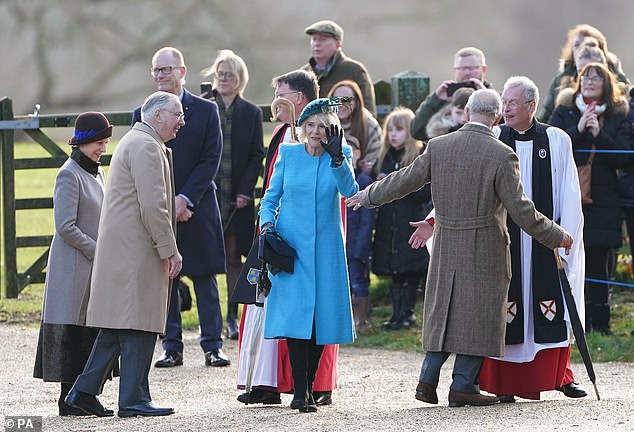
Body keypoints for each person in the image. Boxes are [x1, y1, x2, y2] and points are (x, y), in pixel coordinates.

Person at [347, 89, 574, 407]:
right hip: (486, 245)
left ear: (467, 112)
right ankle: (463, 386)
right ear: (496, 117)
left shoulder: (439, 146)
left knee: (443, 311)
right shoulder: (501, 154)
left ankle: (427, 381)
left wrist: (368, 195)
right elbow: (522, 211)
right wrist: (556, 235)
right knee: (479, 315)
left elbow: (404, 179)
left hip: (447, 244)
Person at [64, 91, 183, 417]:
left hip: (126, 251)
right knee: (140, 324)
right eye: (177, 114)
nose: (181, 122)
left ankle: (82, 393)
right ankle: (133, 400)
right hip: (137, 252)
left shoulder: (137, 141)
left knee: (118, 326)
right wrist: (169, 250)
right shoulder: (146, 146)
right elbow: (153, 206)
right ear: (157, 116)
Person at [477, 76, 587, 402]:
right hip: (503, 242)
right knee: (504, 309)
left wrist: (567, 237)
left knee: (552, 304)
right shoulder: (493, 137)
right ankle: (502, 385)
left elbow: (569, 193)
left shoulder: (556, 140)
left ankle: (560, 376)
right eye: (503, 102)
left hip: (544, 242)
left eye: (512, 102)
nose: (505, 108)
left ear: (531, 105)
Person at [235, 70, 340, 407]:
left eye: (279, 92)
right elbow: (272, 191)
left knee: (316, 312)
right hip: (281, 235)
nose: (274, 100)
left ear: (296, 98)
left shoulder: (325, 136)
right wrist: (266, 225)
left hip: (318, 241)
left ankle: (310, 385)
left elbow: (343, 192)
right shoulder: (283, 135)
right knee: (283, 310)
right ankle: (274, 382)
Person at [259, 97, 359, 413]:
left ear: (333, 130)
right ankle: (301, 392)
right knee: (296, 318)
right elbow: (270, 198)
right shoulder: (288, 154)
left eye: (323, 126)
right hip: (291, 249)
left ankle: (309, 387)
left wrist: (337, 161)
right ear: (302, 128)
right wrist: (266, 225)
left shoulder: (340, 155)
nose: (316, 132)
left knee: (321, 319)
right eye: (311, 125)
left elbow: (350, 192)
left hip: (326, 249)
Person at [133, 47, 229, 368]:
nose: (161, 75)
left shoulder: (205, 110)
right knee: (167, 275)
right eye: (156, 70)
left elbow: (210, 158)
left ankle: (213, 345)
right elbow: (141, 162)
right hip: (160, 206)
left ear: (182, 71)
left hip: (197, 204)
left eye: (166, 69)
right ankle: (171, 346)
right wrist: (166, 202)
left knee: (204, 278)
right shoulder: (142, 113)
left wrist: (185, 199)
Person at [33, 112, 113, 416]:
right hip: (73, 265)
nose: (103, 148)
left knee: (89, 328)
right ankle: (69, 398)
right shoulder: (68, 174)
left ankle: (83, 394)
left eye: (105, 142)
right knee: (72, 329)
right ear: (82, 143)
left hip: (93, 264)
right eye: (99, 142)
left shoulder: (96, 172)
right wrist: (97, 250)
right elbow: (65, 226)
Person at [549, 62, 633, 334]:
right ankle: (572, 322)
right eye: (585, 77)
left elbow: (624, 157)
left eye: (596, 77)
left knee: (599, 264)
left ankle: (601, 325)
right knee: (569, 257)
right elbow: (551, 149)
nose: (589, 81)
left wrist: (600, 134)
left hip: (603, 198)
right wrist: (579, 130)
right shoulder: (565, 110)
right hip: (569, 196)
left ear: (606, 83)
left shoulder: (619, 113)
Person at [200, 49, 265, 341]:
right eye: (220, 73)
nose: (224, 79)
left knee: (232, 259)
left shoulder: (251, 113)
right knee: (201, 259)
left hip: (235, 199)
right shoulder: (202, 107)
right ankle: (206, 320)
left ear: (240, 80)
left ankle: (232, 318)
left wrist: (244, 192)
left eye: (229, 74)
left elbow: (256, 156)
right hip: (205, 196)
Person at [372, 107, 431, 330]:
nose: (393, 135)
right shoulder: (385, 157)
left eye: (399, 130)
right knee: (395, 271)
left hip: (410, 221)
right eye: (390, 130)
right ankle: (396, 314)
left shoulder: (418, 158)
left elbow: (425, 193)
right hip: (390, 223)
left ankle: (407, 313)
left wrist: (397, 184)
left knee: (411, 268)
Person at [538, 24, 630, 122]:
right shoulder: (561, 84)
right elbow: (546, 120)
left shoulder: (620, 88)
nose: (582, 48)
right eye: (577, 45)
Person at [411, 47, 492, 141]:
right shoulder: (443, 97)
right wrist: (435, 100)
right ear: (454, 70)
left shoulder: (500, 98)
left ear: (484, 69)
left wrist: (487, 97)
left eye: (472, 68)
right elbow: (416, 132)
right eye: (461, 69)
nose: (467, 73)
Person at [302, 19, 376, 115]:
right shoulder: (303, 74)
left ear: (338, 44)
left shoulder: (354, 71)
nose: (317, 44)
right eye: (314, 39)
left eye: (323, 39)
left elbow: (368, 112)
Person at [345, 134, 375, 331]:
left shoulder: (363, 180)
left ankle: (360, 320)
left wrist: (361, 246)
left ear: (357, 153)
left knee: (358, 281)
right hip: (341, 242)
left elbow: (367, 219)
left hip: (357, 242)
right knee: (344, 283)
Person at [327, 79, 381, 169]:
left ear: (356, 102)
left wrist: (365, 167)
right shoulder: (321, 124)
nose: (340, 104)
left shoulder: (371, 127)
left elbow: (374, 163)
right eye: (336, 99)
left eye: (347, 100)